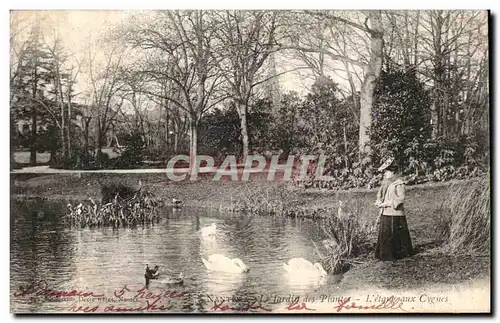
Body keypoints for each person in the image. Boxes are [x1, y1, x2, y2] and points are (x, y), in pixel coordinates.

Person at [374, 157, 414, 261]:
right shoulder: (388, 183)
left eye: (387, 172)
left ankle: (397, 254)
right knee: (385, 233)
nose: (385, 174)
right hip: (386, 213)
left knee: (394, 235)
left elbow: (401, 199)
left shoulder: (399, 184)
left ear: (393, 172)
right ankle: (384, 254)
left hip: (395, 214)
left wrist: (386, 204)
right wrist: (379, 202)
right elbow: (382, 195)